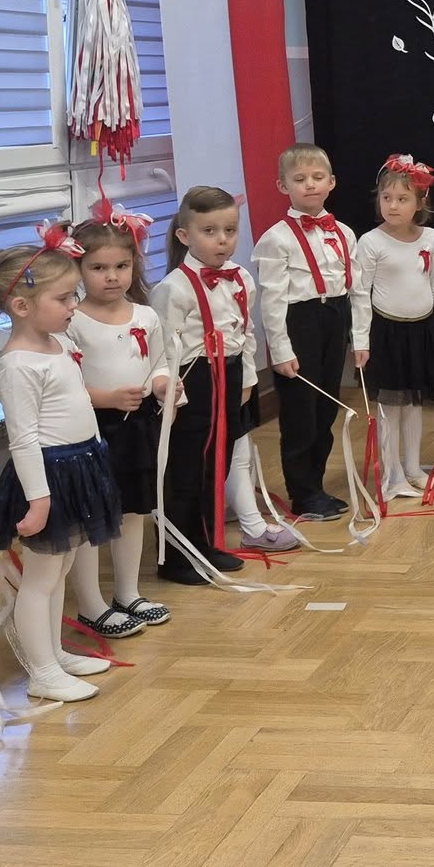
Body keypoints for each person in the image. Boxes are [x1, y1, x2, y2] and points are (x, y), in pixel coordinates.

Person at [0, 227, 122, 701]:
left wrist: (96, 456)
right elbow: (23, 439)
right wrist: (38, 500)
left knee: (62, 568)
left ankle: (54, 653)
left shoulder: (56, 345)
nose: (74, 305)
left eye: (73, 295)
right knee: (41, 578)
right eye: (63, 298)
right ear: (22, 306)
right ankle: (41, 672)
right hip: (49, 477)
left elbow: (78, 404)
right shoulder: (18, 366)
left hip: (78, 467)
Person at [65, 207, 177, 638]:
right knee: (92, 515)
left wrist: (164, 384)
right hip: (92, 428)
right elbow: (65, 385)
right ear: (78, 269)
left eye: (121, 266)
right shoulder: (72, 322)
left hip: (136, 427)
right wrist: (108, 398)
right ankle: (90, 603)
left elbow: (159, 362)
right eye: (98, 268)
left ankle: (128, 592)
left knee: (133, 510)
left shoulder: (145, 316)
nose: (111, 277)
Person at [153, 188, 257, 587]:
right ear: (185, 236)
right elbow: (163, 348)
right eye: (209, 231)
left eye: (230, 230)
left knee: (219, 461)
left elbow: (246, 333)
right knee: (187, 466)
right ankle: (176, 555)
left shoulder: (241, 277)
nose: (222, 240)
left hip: (229, 376)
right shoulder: (173, 288)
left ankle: (206, 543)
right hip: (191, 381)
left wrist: (247, 379)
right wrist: (174, 397)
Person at [253, 144, 359, 521]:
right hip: (299, 323)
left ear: (332, 182)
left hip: (335, 317)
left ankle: (316, 485)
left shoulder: (344, 232)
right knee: (301, 411)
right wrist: (280, 350)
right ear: (283, 186)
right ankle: (302, 492)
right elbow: (272, 301)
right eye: (300, 179)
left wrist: (358, 338)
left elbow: (355, 288)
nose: (310, 185)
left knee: (326, 406)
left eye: (317, 178)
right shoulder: (276, 238)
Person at [351, 154, 434, 501]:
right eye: (387, 198)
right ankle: (392, 474)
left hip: (422, 331)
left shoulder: (431, 238)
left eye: (402, 199)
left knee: (414, 404)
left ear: (419, 202)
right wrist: (360, 341)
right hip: (387, 334)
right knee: (390, 408)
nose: (393, 206)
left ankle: (413, 468)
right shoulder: (371, 242)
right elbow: (360, 293)